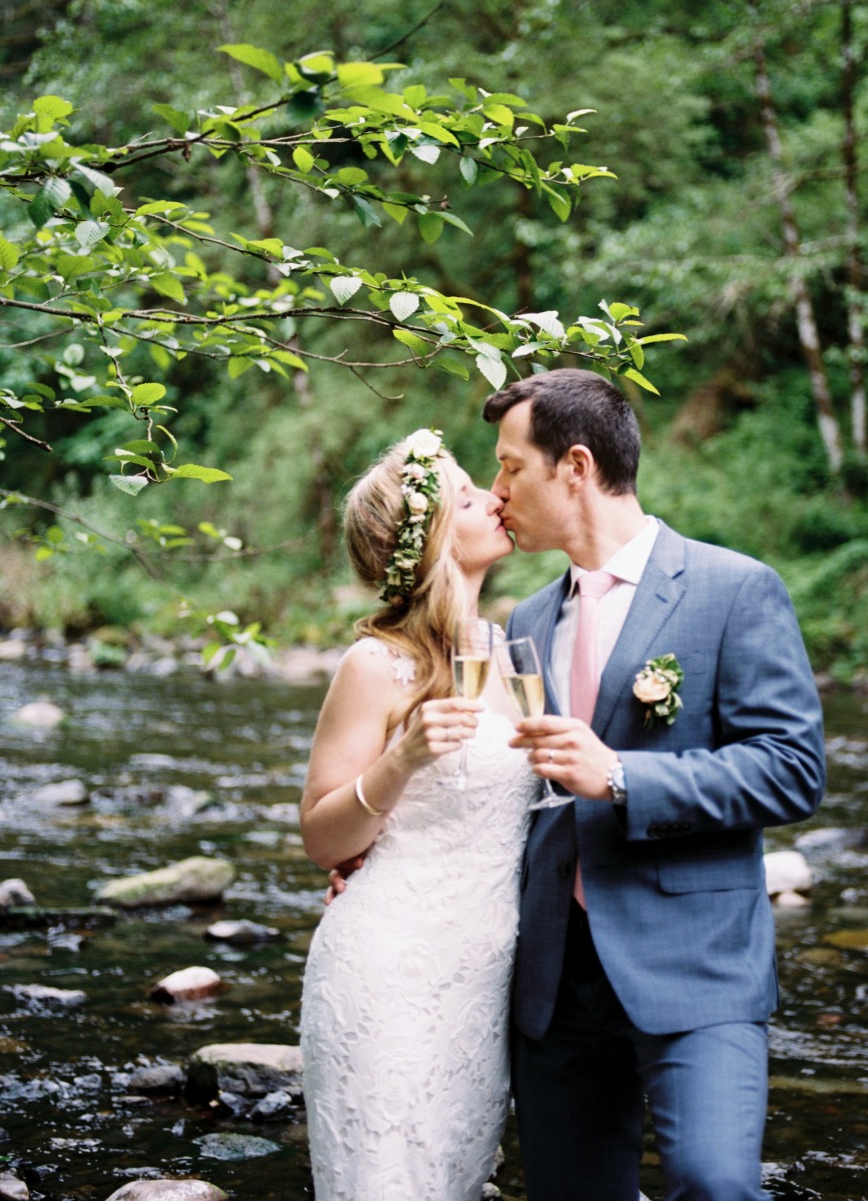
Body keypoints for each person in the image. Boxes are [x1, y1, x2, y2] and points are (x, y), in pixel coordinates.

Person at [482, 370, 826, 1201]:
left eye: (508, 467)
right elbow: (515, 785)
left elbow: (792, 768)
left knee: (716, 1185)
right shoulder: (526, 618)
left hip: (697, 964)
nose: (496, 493)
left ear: (573, 466)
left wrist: (625, 774)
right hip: (555, 981)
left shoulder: (734, 589)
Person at [299, 428, 536, 1201]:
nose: (494, 496)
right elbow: (320, 836)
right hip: (391, 968)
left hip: (484, 977)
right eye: (468, 495)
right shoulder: (376, 663)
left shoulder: (516, 651)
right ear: (434, 538)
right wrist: (399, 762)